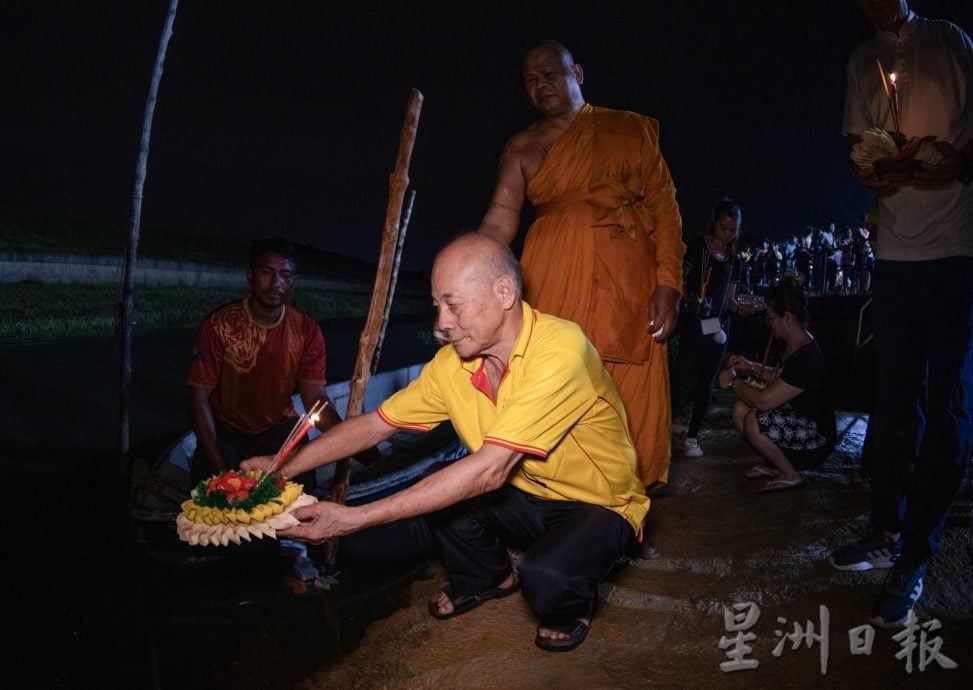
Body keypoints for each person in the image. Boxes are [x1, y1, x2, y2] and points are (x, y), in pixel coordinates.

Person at [242, 234, 650, 653]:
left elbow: (489, 472)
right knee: (440, 484)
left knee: (547, 579)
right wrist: (282, 465)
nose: (441, 324)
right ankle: (489, 576)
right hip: (528, 492)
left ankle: (572, 607)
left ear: (504, 292)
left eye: (453, 305)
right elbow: (375, 426)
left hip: (596, 502)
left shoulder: (561, 350)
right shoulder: (454, 364)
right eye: (437, 306)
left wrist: (354, 519)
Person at [477, 40, 685, 497]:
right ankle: (561, 499)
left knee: (628, 389)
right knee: (555, 377)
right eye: (530, 80)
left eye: (549, 73)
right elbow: (500, 218)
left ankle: (628, 503)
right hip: (552, 275)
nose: (541, 85)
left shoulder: (628, 129)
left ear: (577, 74)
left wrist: (669, 285)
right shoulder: (522, 146)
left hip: (628, 277)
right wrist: (470, 272)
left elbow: (666, 211)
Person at [829, 0, 973, 629]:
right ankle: (887, 527)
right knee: (892, 402)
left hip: (957, 247)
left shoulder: (950, 42)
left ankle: (917, 550)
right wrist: (873, 166)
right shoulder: (863, 60)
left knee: (948, 402)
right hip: (894, 252)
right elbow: (855, 145)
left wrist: (954, 160)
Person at [186, 237, 344, 489]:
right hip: (226, 428)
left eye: (285, 275)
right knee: (210, 488)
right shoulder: (219, 324)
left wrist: (347, 439)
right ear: (250, 275)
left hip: (279, 428)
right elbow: (198, 398)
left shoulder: (306, 330)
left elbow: (315, 398)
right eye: (266, 272)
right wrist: (221, 471)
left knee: (302, 488)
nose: (275, 283)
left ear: (292, 281)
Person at [718, 273, 836, 492]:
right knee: (741, 408)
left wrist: (734, 382)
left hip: (815, 438)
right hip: (798, 420)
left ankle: (790, 474)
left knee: (754, 420)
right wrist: (750, 366)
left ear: (787, 317)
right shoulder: (796, 342)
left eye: (771, 318)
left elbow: (764, 401)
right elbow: (780, 376)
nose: (769, 324)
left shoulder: (806, 357)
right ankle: (776, 465)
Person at [670, 198, 755, 457]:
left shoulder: (734, 259)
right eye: (723, 228)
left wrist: (741, 307)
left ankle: (692, 437)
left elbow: (729, 299)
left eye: (733, 230)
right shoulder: (698, 246)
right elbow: (680, 279)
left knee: (707, 382)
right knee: (683, 377)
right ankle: (663, 429)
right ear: (714, 223)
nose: (727, 234)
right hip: (695, 321)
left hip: (718, 325)